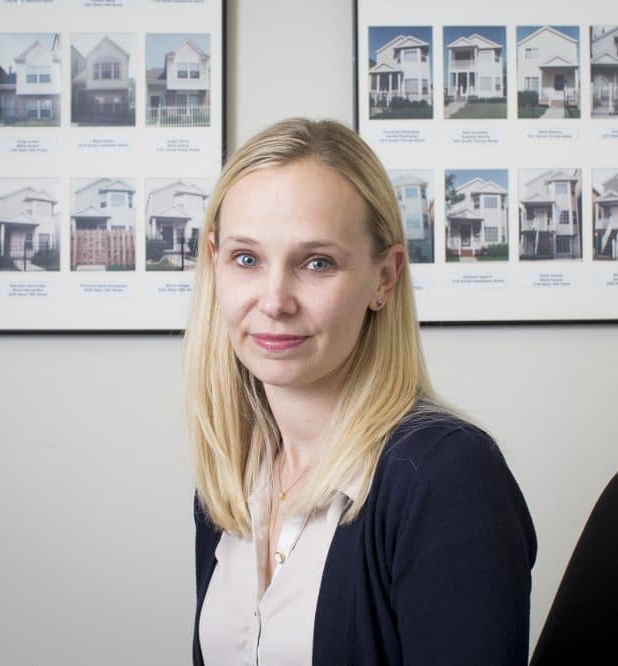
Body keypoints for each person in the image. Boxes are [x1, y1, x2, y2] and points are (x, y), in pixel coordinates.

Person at [184, 118, 537, 666]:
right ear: (215, 263)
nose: (274, 300)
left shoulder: (445, 477)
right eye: (246, 259)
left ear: (384, 278)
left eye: (316, 262)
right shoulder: (231, 476)